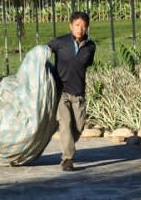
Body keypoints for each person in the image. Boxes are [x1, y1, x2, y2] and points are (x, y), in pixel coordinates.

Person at [48, 11, 96, 171]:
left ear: (87, 27)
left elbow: (86, 64)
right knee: (66, 123)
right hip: (62, 92)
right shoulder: (60, 42)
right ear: (71, 26)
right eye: (77, 25)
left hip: (79, 93)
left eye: (83, 26)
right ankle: (67, 159)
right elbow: (44, 51)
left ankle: (67, 144)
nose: (80, 29)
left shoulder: (90, 46)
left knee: (78, 127)